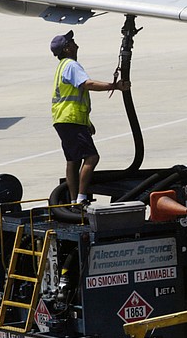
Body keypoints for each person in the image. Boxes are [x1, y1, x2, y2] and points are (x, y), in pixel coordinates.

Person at [50, 30, 130, 206]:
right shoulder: (71, 65)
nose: (76, 44)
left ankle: (73, 200)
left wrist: (87, 122)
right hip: (71, 119)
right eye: (72, 42)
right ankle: (81, 199)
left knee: (73, 160)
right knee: (92, 157)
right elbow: (87, 84)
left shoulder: (63, 66)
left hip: (64, 119)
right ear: (67, 49)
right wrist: (114, 86)